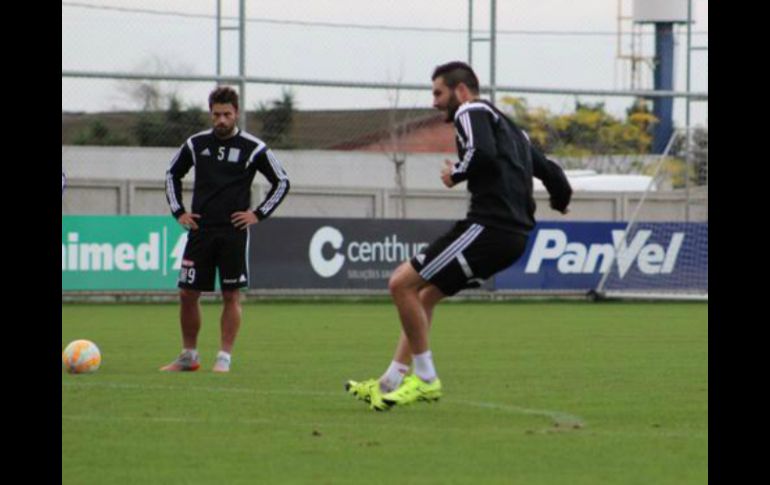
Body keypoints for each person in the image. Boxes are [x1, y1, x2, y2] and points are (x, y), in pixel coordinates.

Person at [346, 61, 572, 410]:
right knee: (424, 297)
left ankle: (425, 380)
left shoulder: (472, 110)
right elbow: (553, 173)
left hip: (489, 227)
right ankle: (389, 382)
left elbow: (481, 154)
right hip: (513, 237)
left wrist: (457, 173)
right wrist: (561, 201)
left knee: (400, 283)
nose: (435, 102)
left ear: (461, 90)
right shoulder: (514, 131)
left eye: (438, 93)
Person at [161, 86, 290, 373]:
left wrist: (257, 214)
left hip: (233, 231)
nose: (221, 120)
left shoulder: (253, 148)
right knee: (187, 293)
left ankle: (224, 357)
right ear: (211, 114)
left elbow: (282, 181)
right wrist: (179, 211)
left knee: (231, 294)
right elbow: (172, 173)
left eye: (226, 114)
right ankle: (189, 356)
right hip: (200, 230)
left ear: (237, 114)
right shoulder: (195, 144)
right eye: (216, 114)